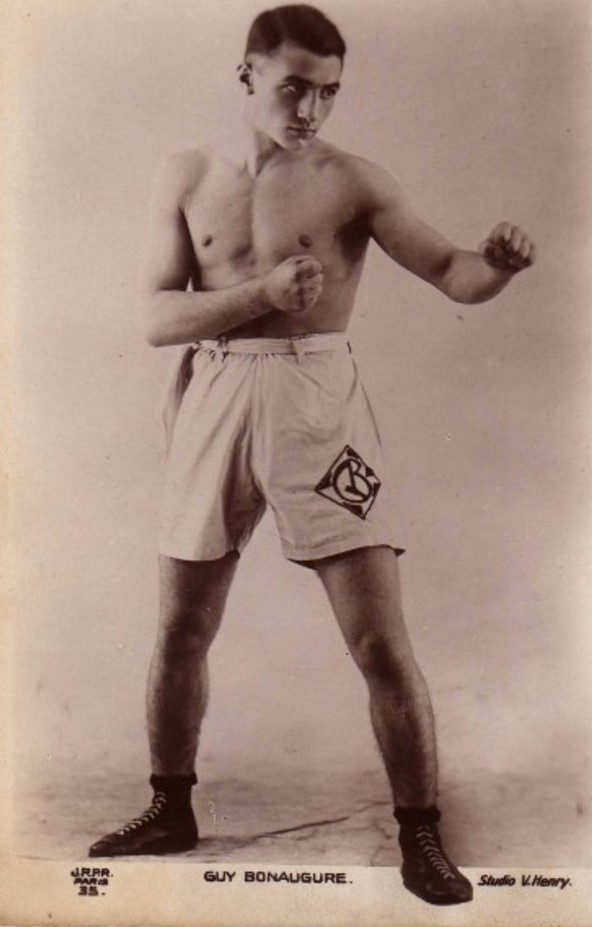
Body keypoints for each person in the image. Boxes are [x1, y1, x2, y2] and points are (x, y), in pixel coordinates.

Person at [88, 4, 535, 906]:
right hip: (215, 391)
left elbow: (453, 273)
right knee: (181, 627)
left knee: (378, 637)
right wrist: (261, 292)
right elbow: (155, 318)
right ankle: (170, 806)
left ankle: (421, 834)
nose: (311, 110)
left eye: (329, 93)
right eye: (294, 87)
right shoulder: (187, 174)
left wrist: (498, 263)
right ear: (247, 74)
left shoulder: (353, 181)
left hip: (316, 397)